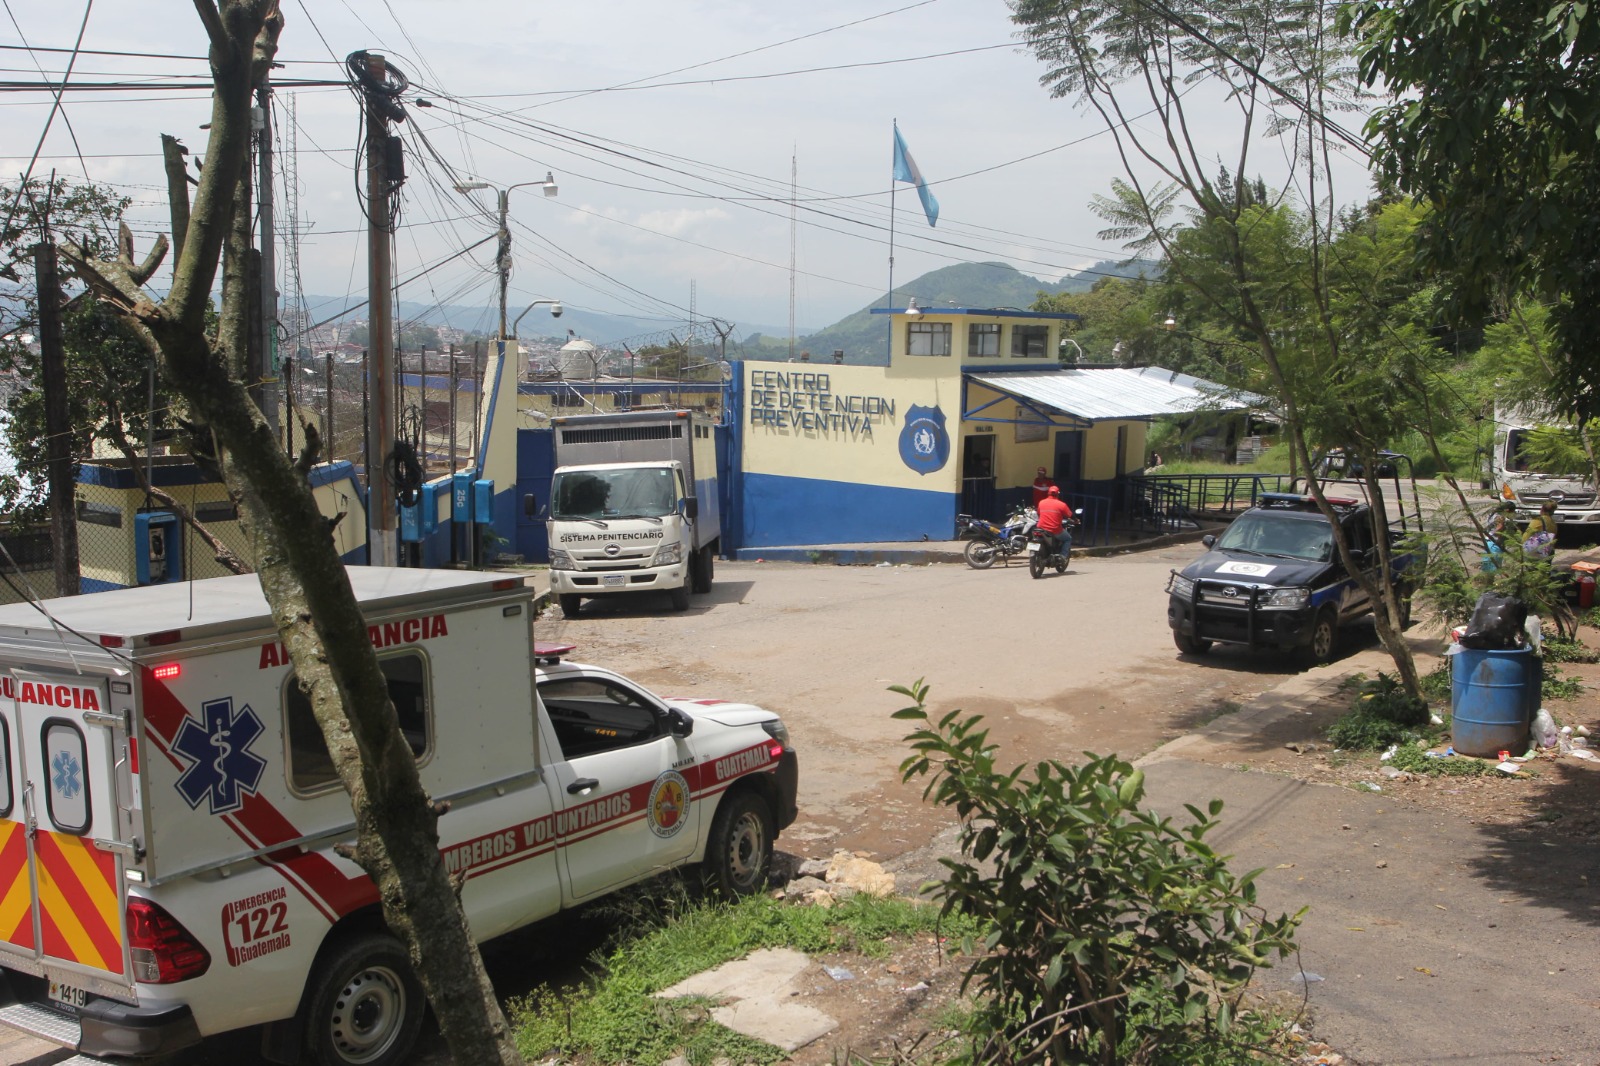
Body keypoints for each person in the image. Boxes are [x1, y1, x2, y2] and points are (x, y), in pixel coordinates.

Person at [1035, 484, 1075, 556]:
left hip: (1041, 528)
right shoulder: (1062, 505)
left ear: (1048, 493)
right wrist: (1076, 520)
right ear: (1058, 494)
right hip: (1055, 530)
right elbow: (1070, 515)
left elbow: (1039, 514)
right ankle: (1062, 556)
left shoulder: (1041, 502)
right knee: (1068, 539)